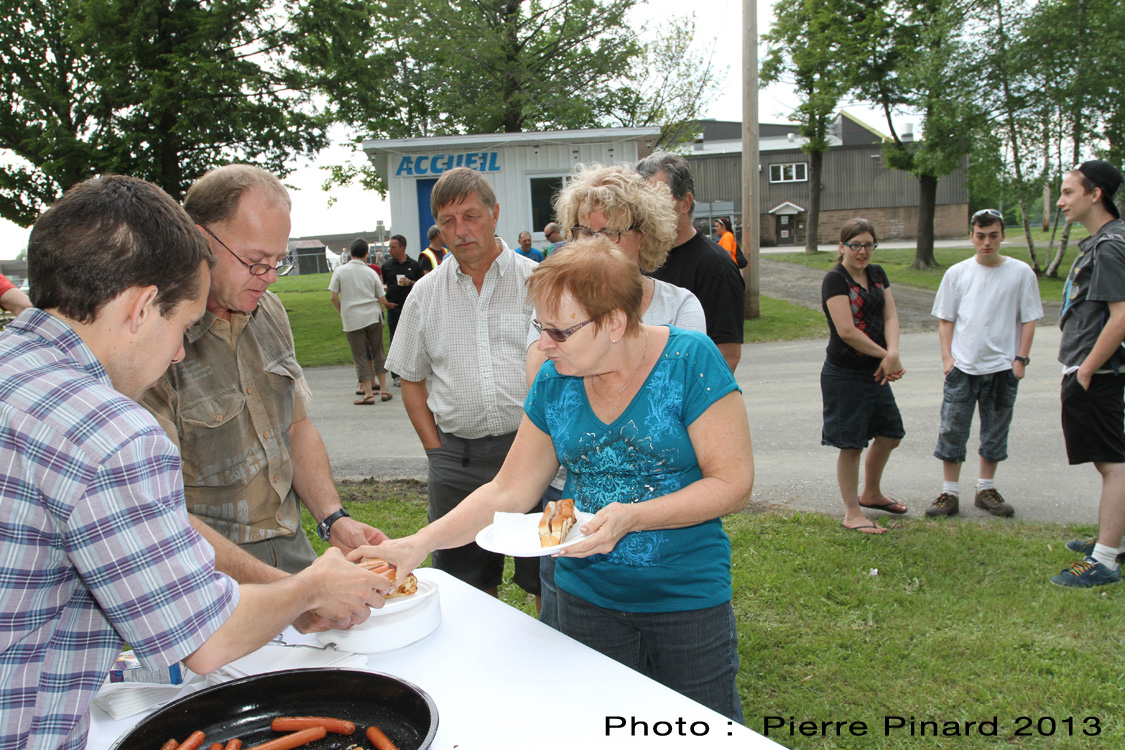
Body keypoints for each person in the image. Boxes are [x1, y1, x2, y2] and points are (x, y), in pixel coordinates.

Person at [0, 175, 390, 750]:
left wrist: (327, 524)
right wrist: (309, 589)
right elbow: (202, 637)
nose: (180, 349)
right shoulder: (112, 432)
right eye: (180, 328)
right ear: (140, 308)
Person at [360, 239, 753, 722]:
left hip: (685, 598)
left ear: (613, 322)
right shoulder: (555, 380)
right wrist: (415, 544)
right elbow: (509, 490)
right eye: (539, 328)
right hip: (584, 598)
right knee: (599, 727)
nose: (543, 345)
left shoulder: (690, 359)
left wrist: (633, 517)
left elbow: (732, 483)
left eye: (559, 332)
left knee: (702, 729)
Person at [142, 165, 388, 575]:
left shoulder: (268, 309)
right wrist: (293, 594)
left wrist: (333, 518)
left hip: (290, 544)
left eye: (279, 260)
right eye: (256, 261)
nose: (270, 278)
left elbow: (295, 426)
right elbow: (156, 514)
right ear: (201, 242)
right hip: (206, 565)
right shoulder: (152, 340)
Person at [526, 163, 706, 628]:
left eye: (611, 232)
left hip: (673, 552)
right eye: (581, 231)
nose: (592, 244)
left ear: (644, 237)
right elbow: (545, 428)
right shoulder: (560, 320)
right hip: (577, 523)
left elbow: (676, 421)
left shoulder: (681, 313)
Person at [384, 167, 542, 602]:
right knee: (467, 586)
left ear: (494, 214)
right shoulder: (424, 294)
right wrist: (436, 451)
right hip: (458, 460)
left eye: (471, 216)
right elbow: (410, 378)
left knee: (547, 578)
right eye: (448, 222)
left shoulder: (540, 283)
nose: (461, 230)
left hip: (534, 452)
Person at [926, 209, 1042, 519]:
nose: (987, 242)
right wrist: (948, 359)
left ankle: (985, 489)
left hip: (1003, 367)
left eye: (993, 235)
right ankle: (949, 493)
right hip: (963, 368)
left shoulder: (1021, 273)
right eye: (980, 236)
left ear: (1002, 235)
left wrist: (1020, 359)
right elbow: (946, 320)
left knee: (995, 430)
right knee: (952, 429)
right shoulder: (957, 273)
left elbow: (1029, 319)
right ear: (972, 236)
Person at [1052, 159, 1125, 587]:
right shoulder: (1104, 241)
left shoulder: (1110, 246)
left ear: (1095, 194)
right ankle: (1111, 539)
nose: (1061, 201)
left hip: (1099, 372)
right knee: (1110, 462)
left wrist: (1086, 371)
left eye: (1068, 193)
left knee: (1113, 464)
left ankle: (1104, 560)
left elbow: (1120, 318)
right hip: (1093, 369)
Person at [820, 218, 907, 534]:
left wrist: (892, 352)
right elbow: (846, 331)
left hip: (874, 370)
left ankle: (871, 492)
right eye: (855, 245)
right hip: (843, 374)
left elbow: (890, 314)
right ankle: (852, 513)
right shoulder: (835, 280)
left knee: (890, 433)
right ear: (842, 246)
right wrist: (887, 356)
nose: (862, 251)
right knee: (852, 444)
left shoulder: (877, 274)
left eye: (868, 244)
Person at [635, 152, 745, 372]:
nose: (647, 211)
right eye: (640, 202)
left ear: (685, 203)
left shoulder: (715, 267)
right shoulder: (635, 256)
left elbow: (727, 355)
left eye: (657, 199)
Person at [330, 238, 396, 405]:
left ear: (351, 253)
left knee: (360, 356)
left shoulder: (340, 271)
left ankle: (368, 393)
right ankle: (384, 389)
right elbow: (381, 298)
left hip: (352, 317)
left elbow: (333, 296)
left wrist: (342, 311)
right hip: (372, 316)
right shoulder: (371, 272)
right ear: (366, 253)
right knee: (378, 352)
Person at [380, 234, 422, 388]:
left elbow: (421, 285)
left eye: (393, 247)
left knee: (414, 340)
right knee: (395, 340)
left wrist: (410, 282)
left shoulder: (414, 265)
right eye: (389, 247)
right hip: (395, 309)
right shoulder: (387, 267)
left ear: (402, 248)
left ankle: (414, 371)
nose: (390, 250)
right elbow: (382, 286)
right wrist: (386, 302)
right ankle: (396, 375)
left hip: (412, 310)